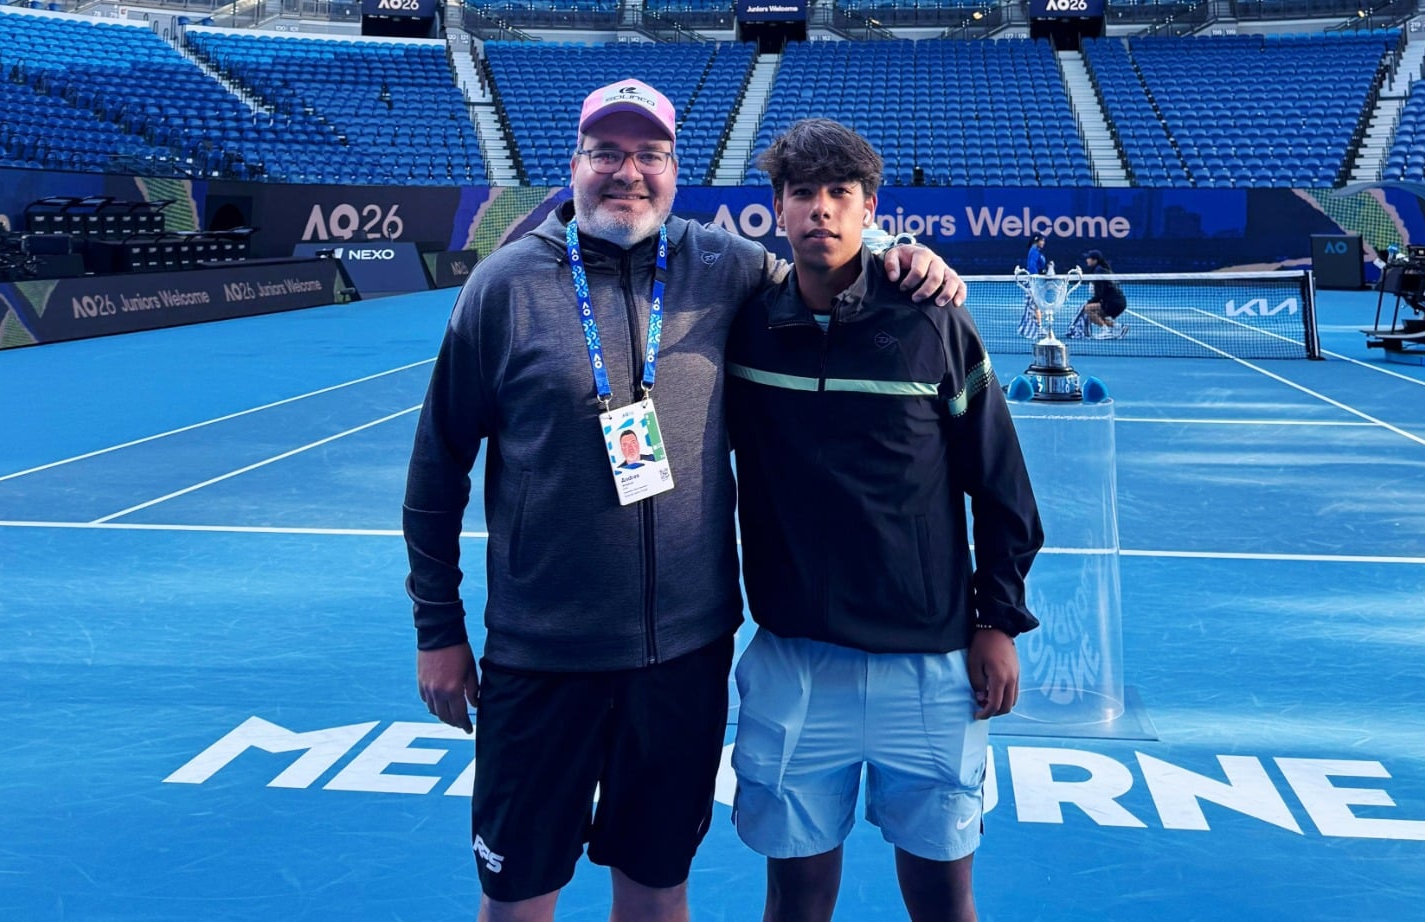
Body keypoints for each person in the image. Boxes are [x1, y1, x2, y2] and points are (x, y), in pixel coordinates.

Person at [403, 80, 966, 922]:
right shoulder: (503, 287)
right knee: (517, 898)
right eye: (607, 154)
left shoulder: (724, 267)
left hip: (684, 659)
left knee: (659, 889)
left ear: (675, 172)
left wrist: (894, 245)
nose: (627, 173)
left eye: (649, 156)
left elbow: (826, 257)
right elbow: (436, 470)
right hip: (541, 656)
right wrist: (439, 632)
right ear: (575, 166)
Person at [724, 118, 1044, 922]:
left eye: (841, 195)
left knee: (942, 898)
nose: (821, 212)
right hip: (794, 661)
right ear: (777, 208)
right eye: (804, 194)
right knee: (795, 898)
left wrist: (998, 622)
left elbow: (1002, 488)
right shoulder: (745, 326)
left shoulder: (933, 321)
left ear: (871, 209)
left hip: (931, 668)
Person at [1077, 248, 1127, 339]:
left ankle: (1106, 331)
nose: (1087, 260)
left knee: (1088, 309)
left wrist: (1089, 302)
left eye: (1089, 258)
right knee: (1096, 316)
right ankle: (1119, 327)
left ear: (1095, 260)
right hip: (1119, 302)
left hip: (1114, 302)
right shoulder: (1101, 269)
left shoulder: (1099, 271)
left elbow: (1099, 295)